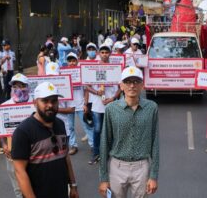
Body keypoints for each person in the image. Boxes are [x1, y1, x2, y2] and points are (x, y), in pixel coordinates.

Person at [99, 66, 159, 198]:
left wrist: (153, 175)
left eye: (136, 81)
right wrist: (103, 178)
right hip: (117, 167)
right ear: (121, 85)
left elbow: (155, 142)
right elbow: (104, 143)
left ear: (142, 85)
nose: (132, 85)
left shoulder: (151, 108)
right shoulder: (111, 109)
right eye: (127, 82)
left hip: (142, 167)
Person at [11, 82, 79, 198]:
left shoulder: (61, 125)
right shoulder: (23, 131)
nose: (50, 105)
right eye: (45, 101)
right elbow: (20, 171)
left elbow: (65, 157)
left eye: (54, 101)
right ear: (35, 103)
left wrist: (73, 185)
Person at [86, 44, 121, 164]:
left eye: (107, 52)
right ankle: (96, 153)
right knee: (97, 129)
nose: (104, 54)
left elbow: (120, 87)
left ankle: (111, 153)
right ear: (99, 54)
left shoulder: (115, 68)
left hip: (111, 104)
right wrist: (96, 92)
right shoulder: (92, 68)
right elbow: (87, 85)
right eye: (102, 52)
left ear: (110, 54)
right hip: (97, 105)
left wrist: (113, 98)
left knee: (111, 130)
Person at [1, 73, 33, 198]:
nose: (18, 89)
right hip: (12, 152)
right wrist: (3, 144)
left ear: (27, 87)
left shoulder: (35, 104)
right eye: (15, 86)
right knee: (17, 185)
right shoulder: (4, 106)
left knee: (33, 181)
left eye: (21, 85)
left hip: (33, 151)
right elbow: (0, 130)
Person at [65, 52, 94, 155]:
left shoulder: (81, 73)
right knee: (70, 127)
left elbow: (86, 90)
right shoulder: (63, 74)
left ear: (77, 61)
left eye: (73, 60)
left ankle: (93, 145)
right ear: (67, 62)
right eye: (69, 60)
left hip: (81, 104)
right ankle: (73, 145)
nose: (71, 62)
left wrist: (85, 104)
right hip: (68, 106)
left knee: (87, 125)